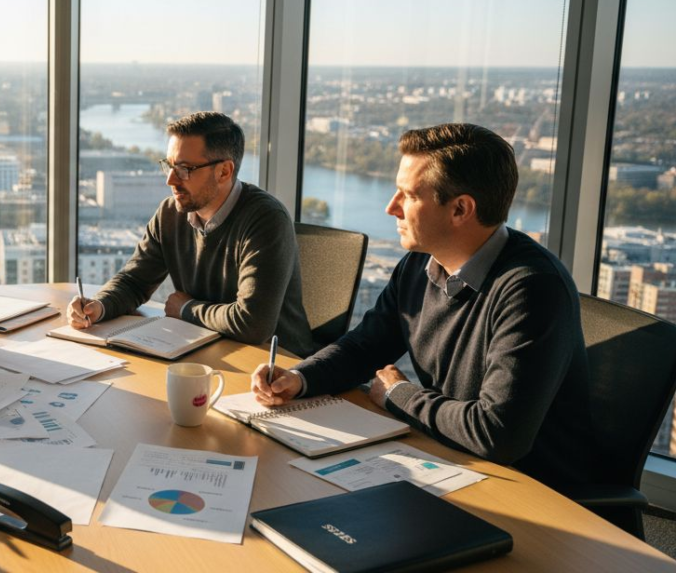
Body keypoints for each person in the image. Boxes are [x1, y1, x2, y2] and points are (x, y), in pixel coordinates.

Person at [252, 123, 593, 489]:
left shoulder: (532, 289)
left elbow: (497, 435)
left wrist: (400, 395)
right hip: (447, 458)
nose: (390, 207)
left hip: (530, 489)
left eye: (408, 195)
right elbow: (365, 346)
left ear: (460, 209)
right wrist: (301, 378)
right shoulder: (420, 263)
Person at [66, 111, 317, 355]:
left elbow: (252, 324)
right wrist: (98, 306)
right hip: (203, 349)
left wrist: (186, 308)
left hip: (276, 367)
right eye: (169, 166)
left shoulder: (266, 219)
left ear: (224, 172)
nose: (171, 180)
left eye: (185, 169)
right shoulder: (170, 213)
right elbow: (134, 282)